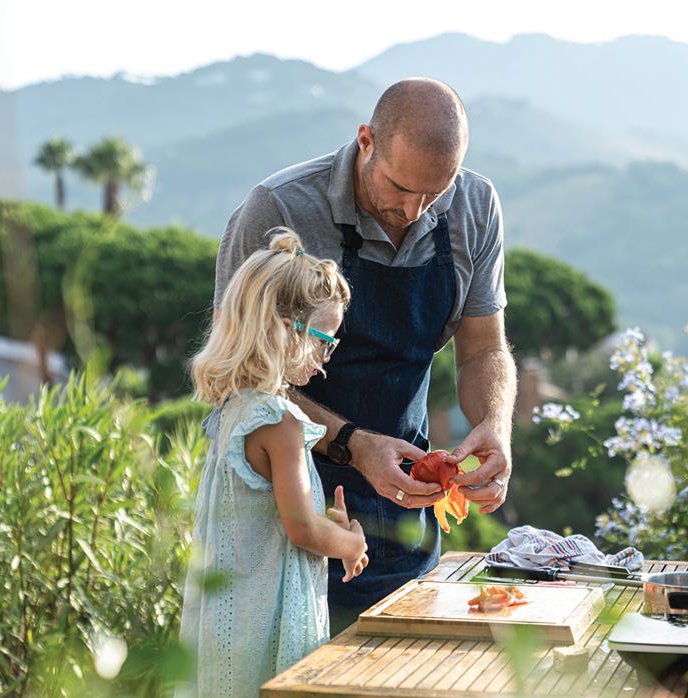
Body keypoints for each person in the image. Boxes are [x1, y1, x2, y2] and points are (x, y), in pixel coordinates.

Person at [213, 78, 517, 632]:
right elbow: (239, 374)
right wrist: (353, 445)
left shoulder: (475, 205)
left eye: (434, 194)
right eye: (400, 187)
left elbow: (483, 348)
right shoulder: (280, 209)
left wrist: (495, 427)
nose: (414, 209)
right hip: (289, 530)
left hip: (408, 517)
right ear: (365, 141)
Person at [180, 229, 368, 697]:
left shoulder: (231, 412)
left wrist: (325, 523)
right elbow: (302, 530)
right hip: (266, 624)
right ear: (286, 329)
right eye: (326, 340)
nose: (327, 357)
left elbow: (271, 516)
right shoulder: (279, 421)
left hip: (226, 618)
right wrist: (346, 542)